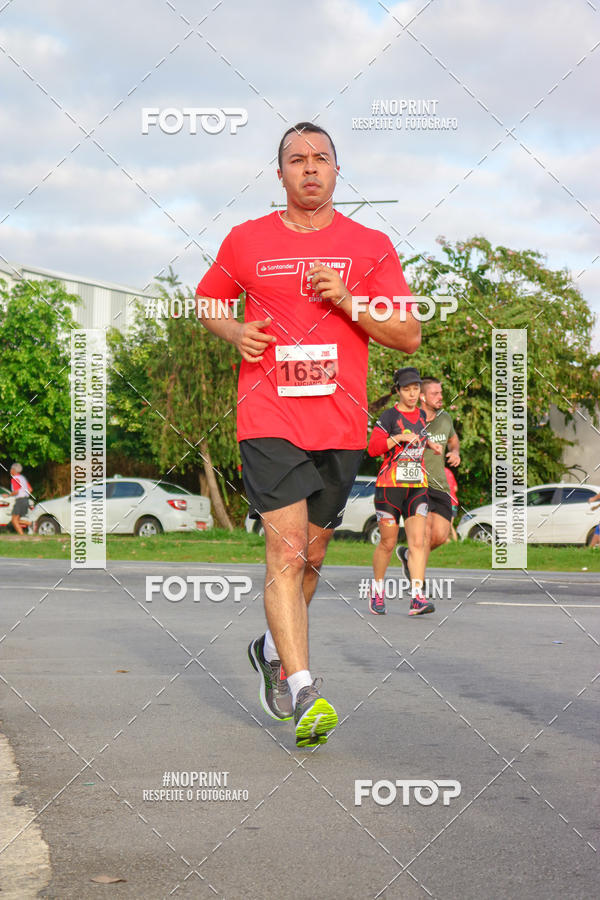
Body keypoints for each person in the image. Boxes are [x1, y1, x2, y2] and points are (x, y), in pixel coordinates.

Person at [195, 122, 421, 747]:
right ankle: (303, 690)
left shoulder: (370, 245)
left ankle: (268, 650)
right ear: (281, 174)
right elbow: (208, 301)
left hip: (340, 425)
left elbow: (407, 335)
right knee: (287, 548)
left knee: (314, 557)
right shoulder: (246, 241)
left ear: (337, 172)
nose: (310, 168)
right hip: (268, 417)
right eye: (297, 159)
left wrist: (351, 301)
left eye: (321, 158)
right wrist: (235, 333)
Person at [367, 367, 442, 616]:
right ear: (398, 391)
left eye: (416, 389)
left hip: (416, 486)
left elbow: (419, 437)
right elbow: (373, 448)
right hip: (389, 488)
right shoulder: (389, 417)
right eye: (407, 389)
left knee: (418, 542)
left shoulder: (422, 415)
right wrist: (398, 437)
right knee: (388, 543)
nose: (412, 393)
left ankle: (417, 598)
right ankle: (377, 591)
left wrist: (430, 443)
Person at [397, 376, 460, 581]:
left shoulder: (445, 418)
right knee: (422, 535)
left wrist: (455, 452)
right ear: (422, 397)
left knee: (440, 536)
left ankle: (409, 556)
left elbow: (453, 440)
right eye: (435, 393)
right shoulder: (409, 419)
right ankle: (418, 589)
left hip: (440, 486)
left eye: (441, 393)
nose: (440, 397)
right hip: (415, 485)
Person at [9, 462, 32, 536]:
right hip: (26, 500)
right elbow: (30, 489)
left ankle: (22, 535)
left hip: (20, 500)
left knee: (14, 520)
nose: (10, 471)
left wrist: (8, 495)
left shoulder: (14, 479)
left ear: (13, 470)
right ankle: (31, 524)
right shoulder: (22, 478)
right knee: (17, 520)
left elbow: (16, 491)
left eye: (11, 469)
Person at [445, 466, 459, 541]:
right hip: (454, 502)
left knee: (448, 524)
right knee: (450, 524)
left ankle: (449, 541)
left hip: (447, 502)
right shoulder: (449, 472)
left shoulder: (439, 472)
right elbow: (455, 488)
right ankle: (453, 542)